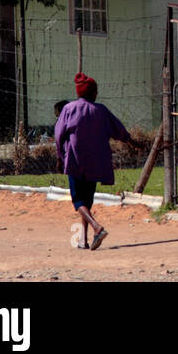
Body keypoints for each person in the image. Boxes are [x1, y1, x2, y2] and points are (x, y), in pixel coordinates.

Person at [54, 74, 130, 251]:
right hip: (96, 161)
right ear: (93, 93)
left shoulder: (68, 109)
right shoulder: (101, 110)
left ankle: (97, 228)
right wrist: (131, 141)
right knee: (87, 199)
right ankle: (83, 240)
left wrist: (60, 156)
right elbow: (119, 130)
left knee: (78, 201)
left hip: (74, 160)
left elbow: (58, 136)